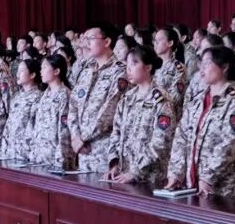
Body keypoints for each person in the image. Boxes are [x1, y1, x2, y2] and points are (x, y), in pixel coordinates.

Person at [167, 46, 235, 197]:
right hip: (192, 185)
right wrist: (175, 173)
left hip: (226, 190)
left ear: (224, 67)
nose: (202, 68)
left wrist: (208, 178)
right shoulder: (197, 100)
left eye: (207, 63)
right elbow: (181, 137)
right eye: (201, 63)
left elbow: (231, 145)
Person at [106, 45, 176, 186]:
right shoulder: (127, 98)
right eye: (127, 64)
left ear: (148, 67)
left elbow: (161, 142)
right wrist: (114, 163)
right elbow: (116, 133)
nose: (128, 69)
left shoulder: (161, 100)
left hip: (149, 178)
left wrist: (136, 172)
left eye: (134, 63)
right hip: (123, 175)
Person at [69, 22, 129, 173]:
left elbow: (109, 112)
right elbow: (73, 104)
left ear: (107, 42)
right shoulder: (86, 71)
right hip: (83, 153)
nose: (86, 44)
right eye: (85, 39)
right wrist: (75, 136)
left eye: (91, 39)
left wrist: (82, 138)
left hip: (104, 153)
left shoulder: (120, 72)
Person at [29, 54, 76, 170]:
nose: (41, 71)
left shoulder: (65, 95)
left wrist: (60, 161)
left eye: (45, 67)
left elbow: (64, 131)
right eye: (41, 68)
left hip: (54, 159)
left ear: (56, 71)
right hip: (39, 157)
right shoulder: (44, 95)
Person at [0, 59, 43, 160]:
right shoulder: (17, 96)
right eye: (18, 70)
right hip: (10, 152)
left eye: (22, 70)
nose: (18, 74)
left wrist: (29, 152)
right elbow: (9, 124)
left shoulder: (38, 97)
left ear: (32, 75)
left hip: (24, 153)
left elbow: (34, 129)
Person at [153, 27, 188, 114]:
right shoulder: (152, 65)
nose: (155, 43)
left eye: (159, 40)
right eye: (155, 40)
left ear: (170, 43)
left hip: (167, 114)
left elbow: (176, 98)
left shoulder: (178, 68)